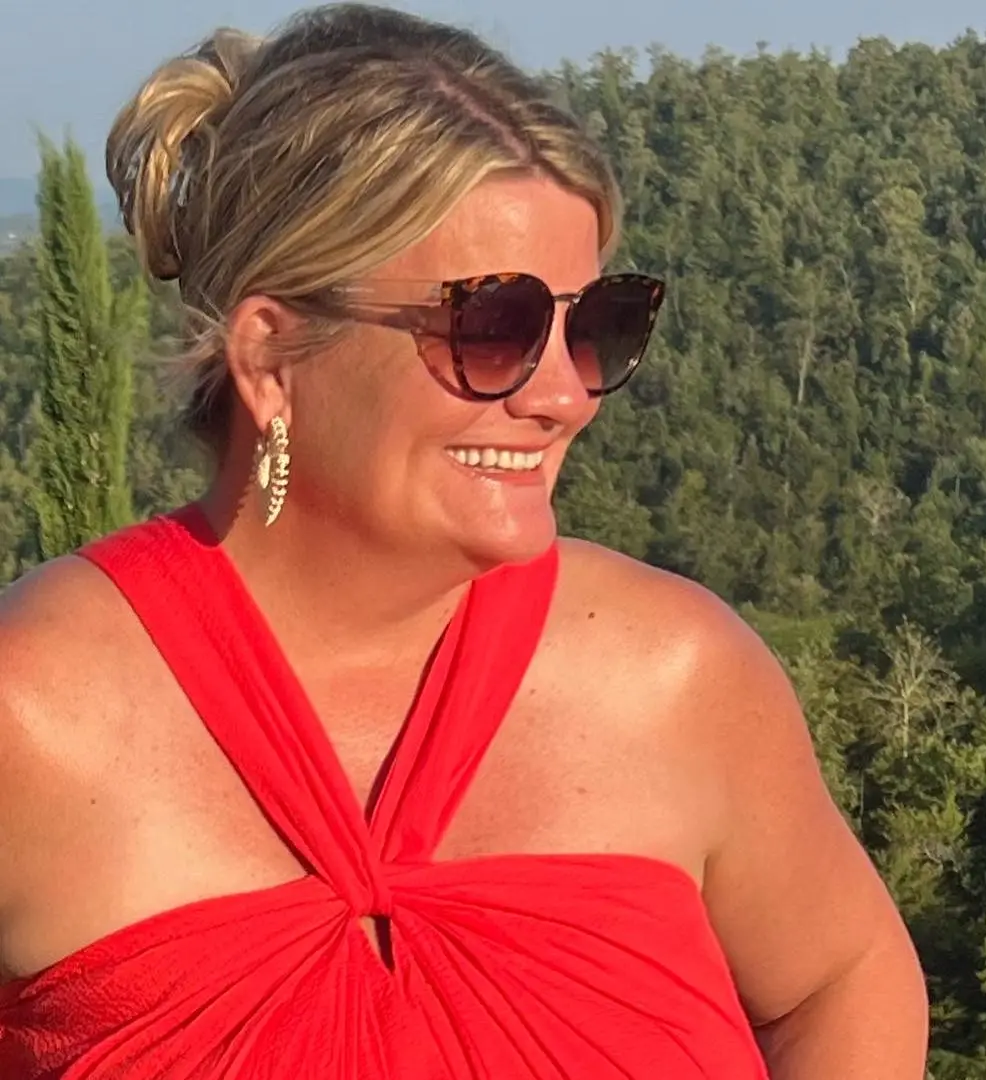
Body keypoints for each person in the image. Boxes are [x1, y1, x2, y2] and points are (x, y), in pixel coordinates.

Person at [0, 4, 928, 1077]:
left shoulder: (674, 678)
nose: (566, 394)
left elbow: (842, 973)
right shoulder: (36, 718)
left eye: (598, 325)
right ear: (272, 354)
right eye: (494, 326)